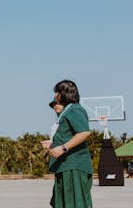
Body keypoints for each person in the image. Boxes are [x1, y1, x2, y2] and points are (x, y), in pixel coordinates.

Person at [48, 80, 93, 208]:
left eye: (57, 92)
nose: (55, 95)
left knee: (74, 203)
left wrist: (63, 148)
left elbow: (84, 132)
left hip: (73, 165)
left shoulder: (74, 109)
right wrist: (52, 143)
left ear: (64, 93)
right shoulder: (66, 112)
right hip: (64, 166)